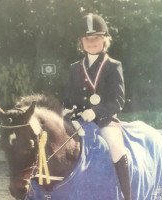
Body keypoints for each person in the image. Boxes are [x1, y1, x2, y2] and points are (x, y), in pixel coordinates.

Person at [63, 13, 131, 200]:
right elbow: (68, 97)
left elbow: (118, 100)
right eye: (87, 39)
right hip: (78, 121)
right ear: (81, 42)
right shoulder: (74, 68)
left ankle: (127, 195)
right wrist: (66, 109)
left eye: (96, 38)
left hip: (105, 121)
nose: (92, 42)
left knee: (116, 148)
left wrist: (95, 112)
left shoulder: (113, 66)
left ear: (104, 40)